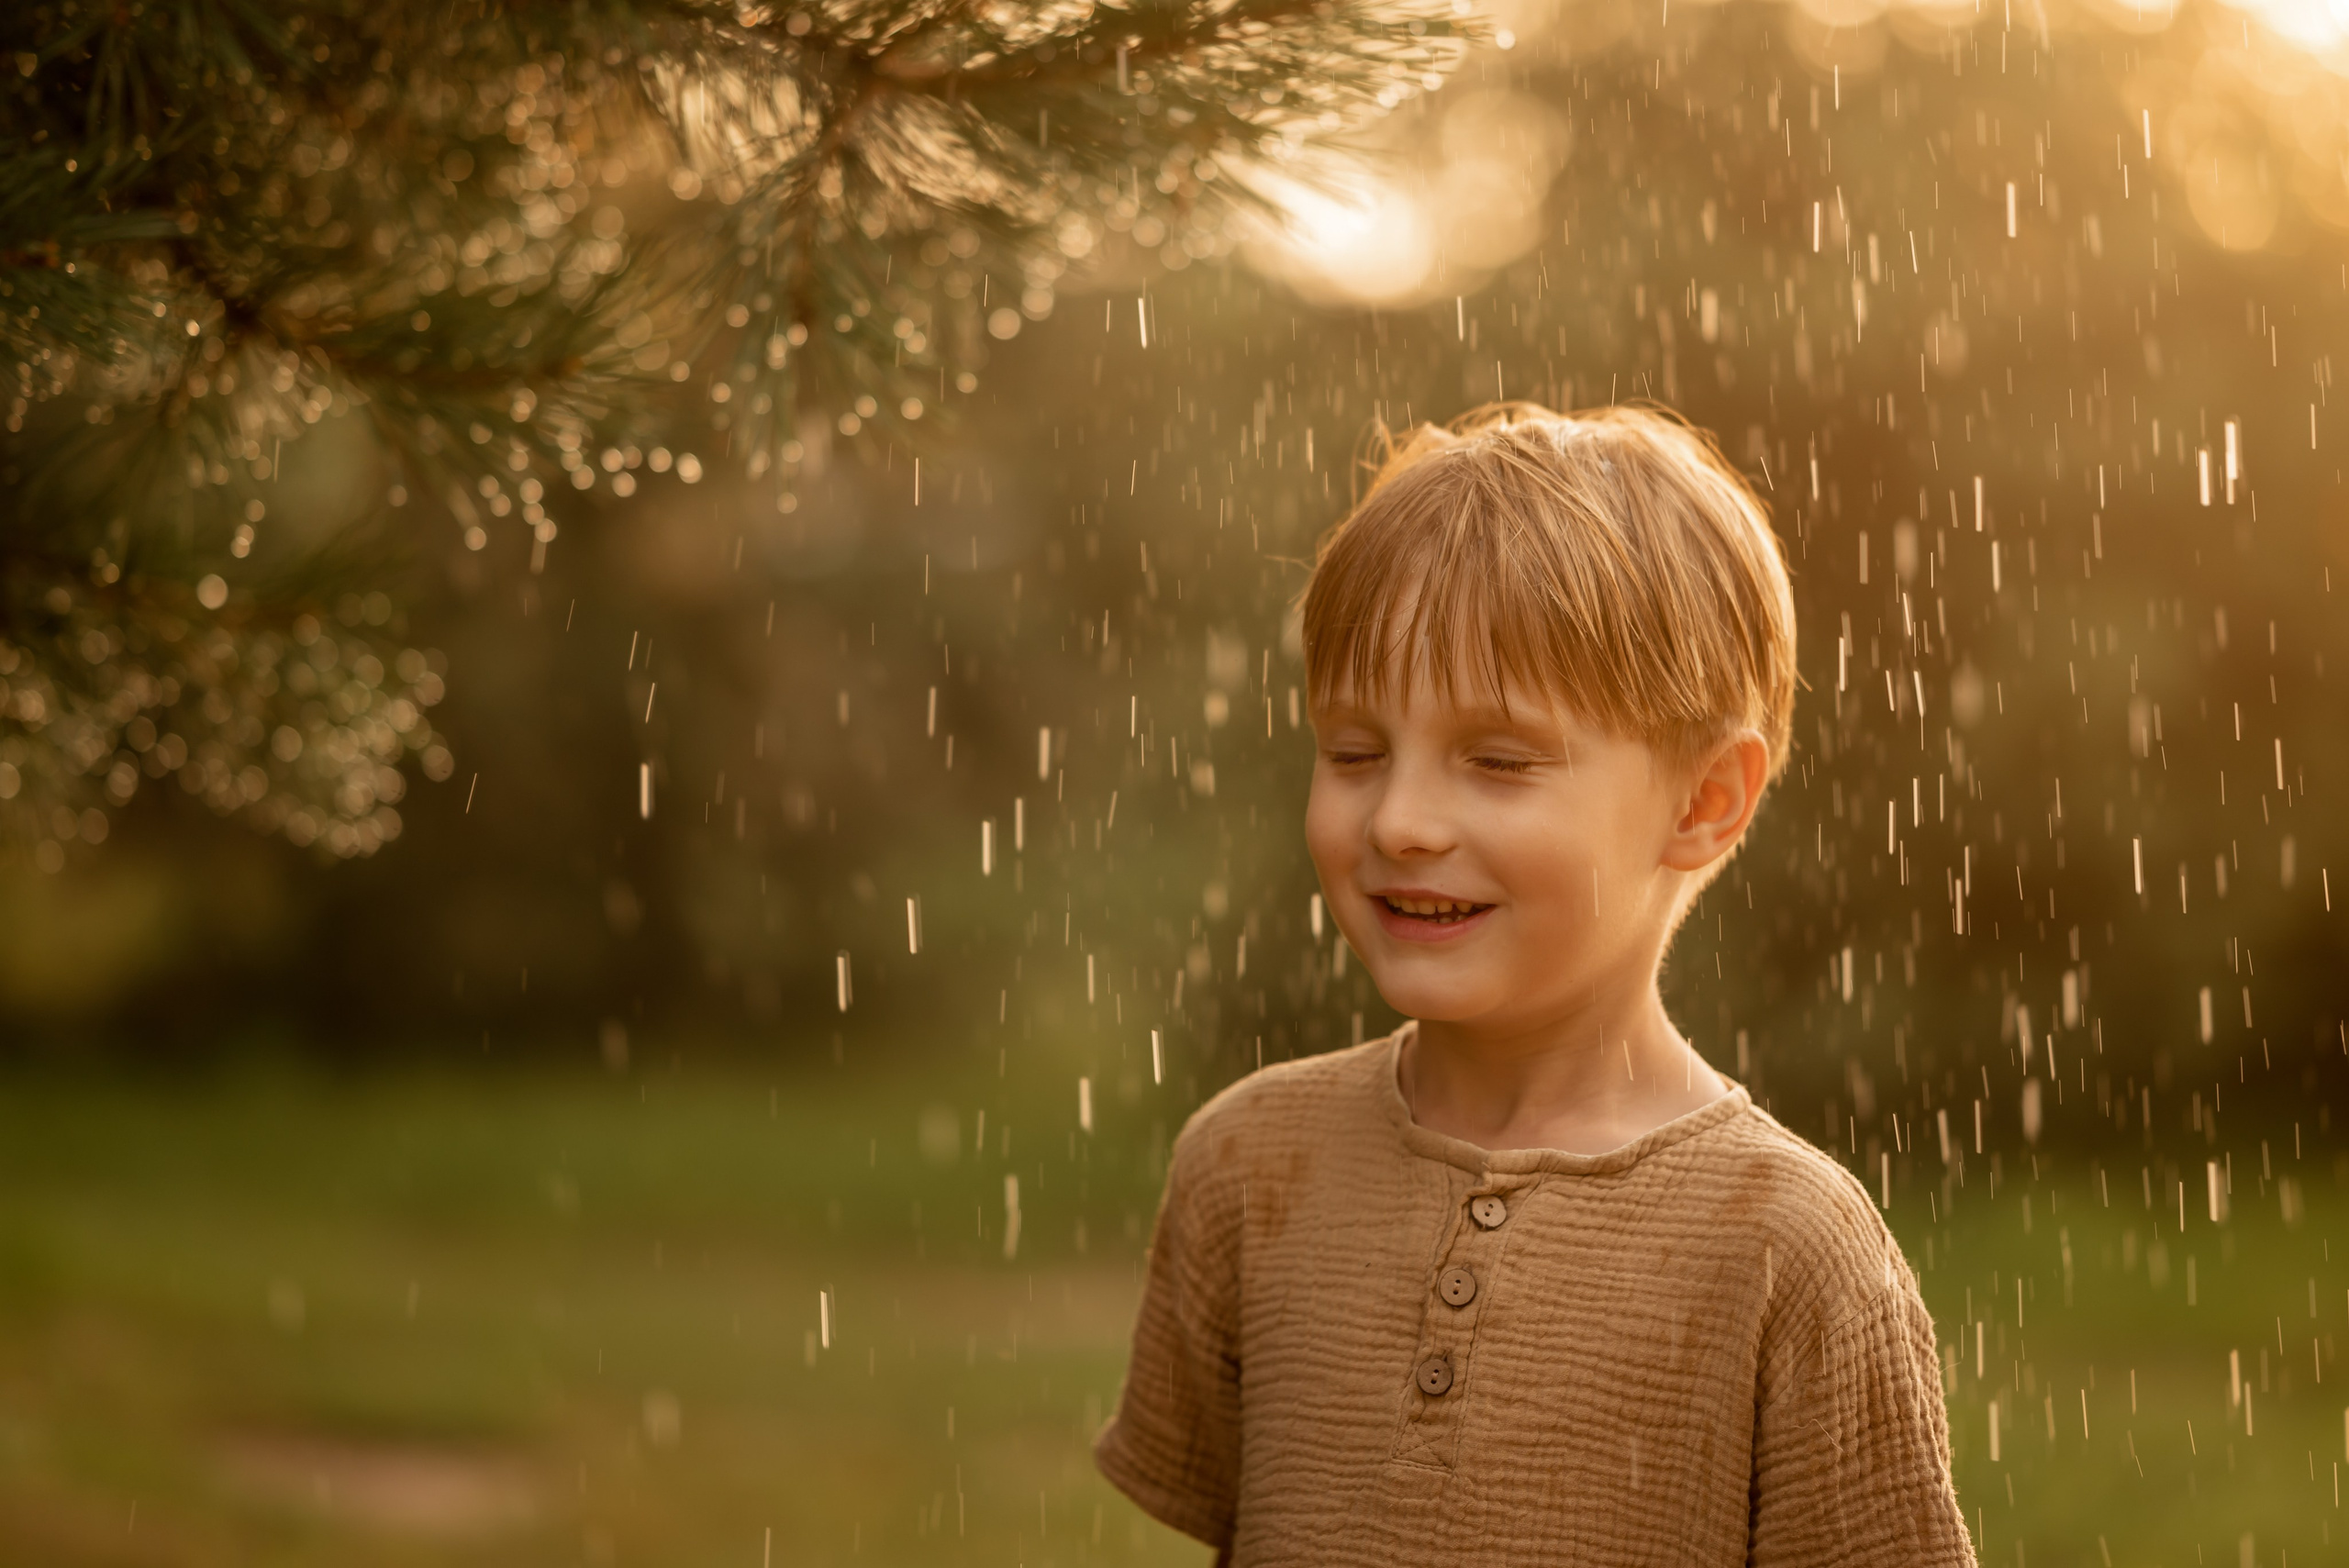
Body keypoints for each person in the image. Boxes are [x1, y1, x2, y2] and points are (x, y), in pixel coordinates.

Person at [1091, 403, 1972, 1565]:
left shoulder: (1786, 1250)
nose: (1399, 820)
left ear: (1705, 800)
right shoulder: (1248, 1169)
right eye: (1354, 751)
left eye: (1498, 761)